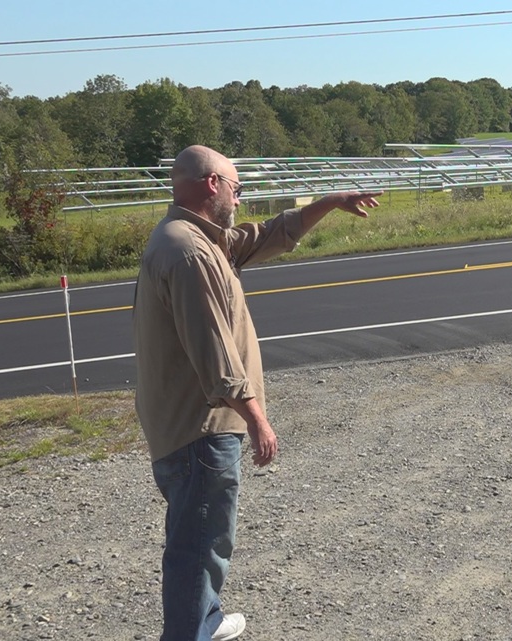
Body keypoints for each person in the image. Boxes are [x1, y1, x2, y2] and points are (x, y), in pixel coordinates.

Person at [133, 144, 380, 641]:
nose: (241, 200)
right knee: (197, 546)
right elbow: (213, 350)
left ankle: (205, 617)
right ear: (212, 185)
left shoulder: (197, 239)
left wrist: (329, 202)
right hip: (200, 426)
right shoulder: (188, 252)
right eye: (238, 188)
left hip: (187, 423)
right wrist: (257, 418)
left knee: (203, 538)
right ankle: (190, 630)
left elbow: (271, 235)